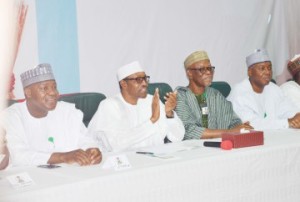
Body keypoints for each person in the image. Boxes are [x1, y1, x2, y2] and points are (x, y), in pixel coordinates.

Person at [1, 63, 102, 166]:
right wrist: (63, 157)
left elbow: (84, 139)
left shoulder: (67, 111)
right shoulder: (10, 117)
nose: (53, 93)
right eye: (44, 88)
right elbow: (18, 156)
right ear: (28, 92)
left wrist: (91, 149)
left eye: (54, 87)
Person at [88, 61, 184, 151]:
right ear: (124, 84)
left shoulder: (152, 100)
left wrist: (169, 114)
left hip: (155, 160)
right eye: (138, 80)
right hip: (125, 164)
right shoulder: (110, 106)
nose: (145, 83)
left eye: (145, 79)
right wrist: (152, 120)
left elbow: (178, 137)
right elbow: (115, 145)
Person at [175, 50, 252, 140]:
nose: (208, 72)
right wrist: (231, 132)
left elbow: (233, 120)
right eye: (201, 69)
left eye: (210, 68)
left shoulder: (215, 95)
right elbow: (189, 131)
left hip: (219, 147)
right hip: (192, 151)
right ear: (189, 73)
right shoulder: (180, 96)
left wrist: (242, 128)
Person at [228, 49, 300, 129]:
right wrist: (287, 122)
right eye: (262, 68)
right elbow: (250, 124)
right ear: (250, 72)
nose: (267, 72)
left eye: (269, 68)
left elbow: (286, 109)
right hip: (251, 139)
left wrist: (296, 117)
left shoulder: (273, 88)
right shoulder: (239, 93)